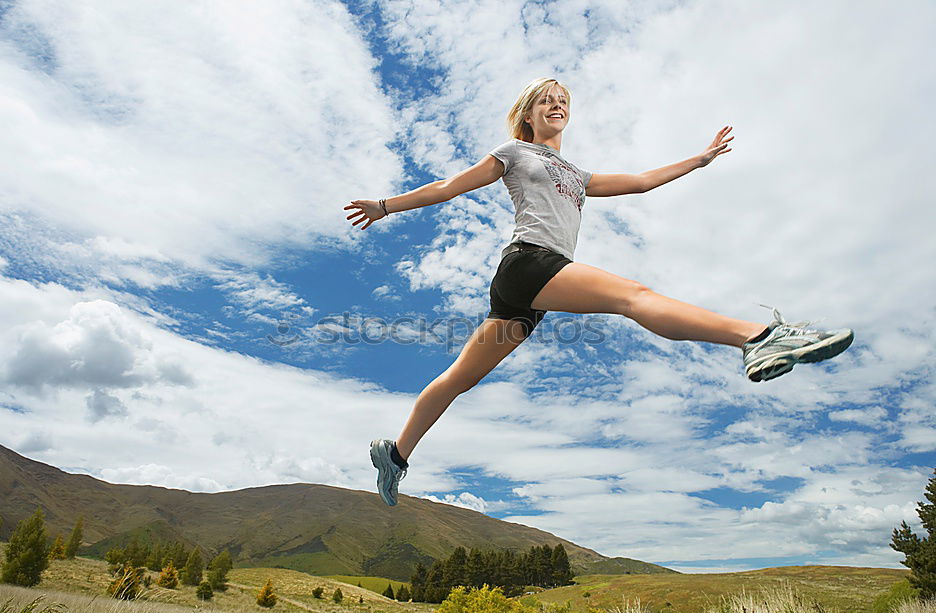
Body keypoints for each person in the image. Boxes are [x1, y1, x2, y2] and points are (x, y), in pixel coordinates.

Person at [344, 77, 853, 506]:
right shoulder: (514, 152)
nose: (556, 104)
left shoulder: (579, 175)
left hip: (529, 297)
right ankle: (758, 335)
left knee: (459, 378)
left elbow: (639, 181)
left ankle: (395, 454)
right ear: (527, 116)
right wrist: (386, 206)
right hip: (528, 264)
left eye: (562, 98)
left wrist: (698, 160)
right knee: (630, 295)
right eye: (545, 99)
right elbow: (450, 186)